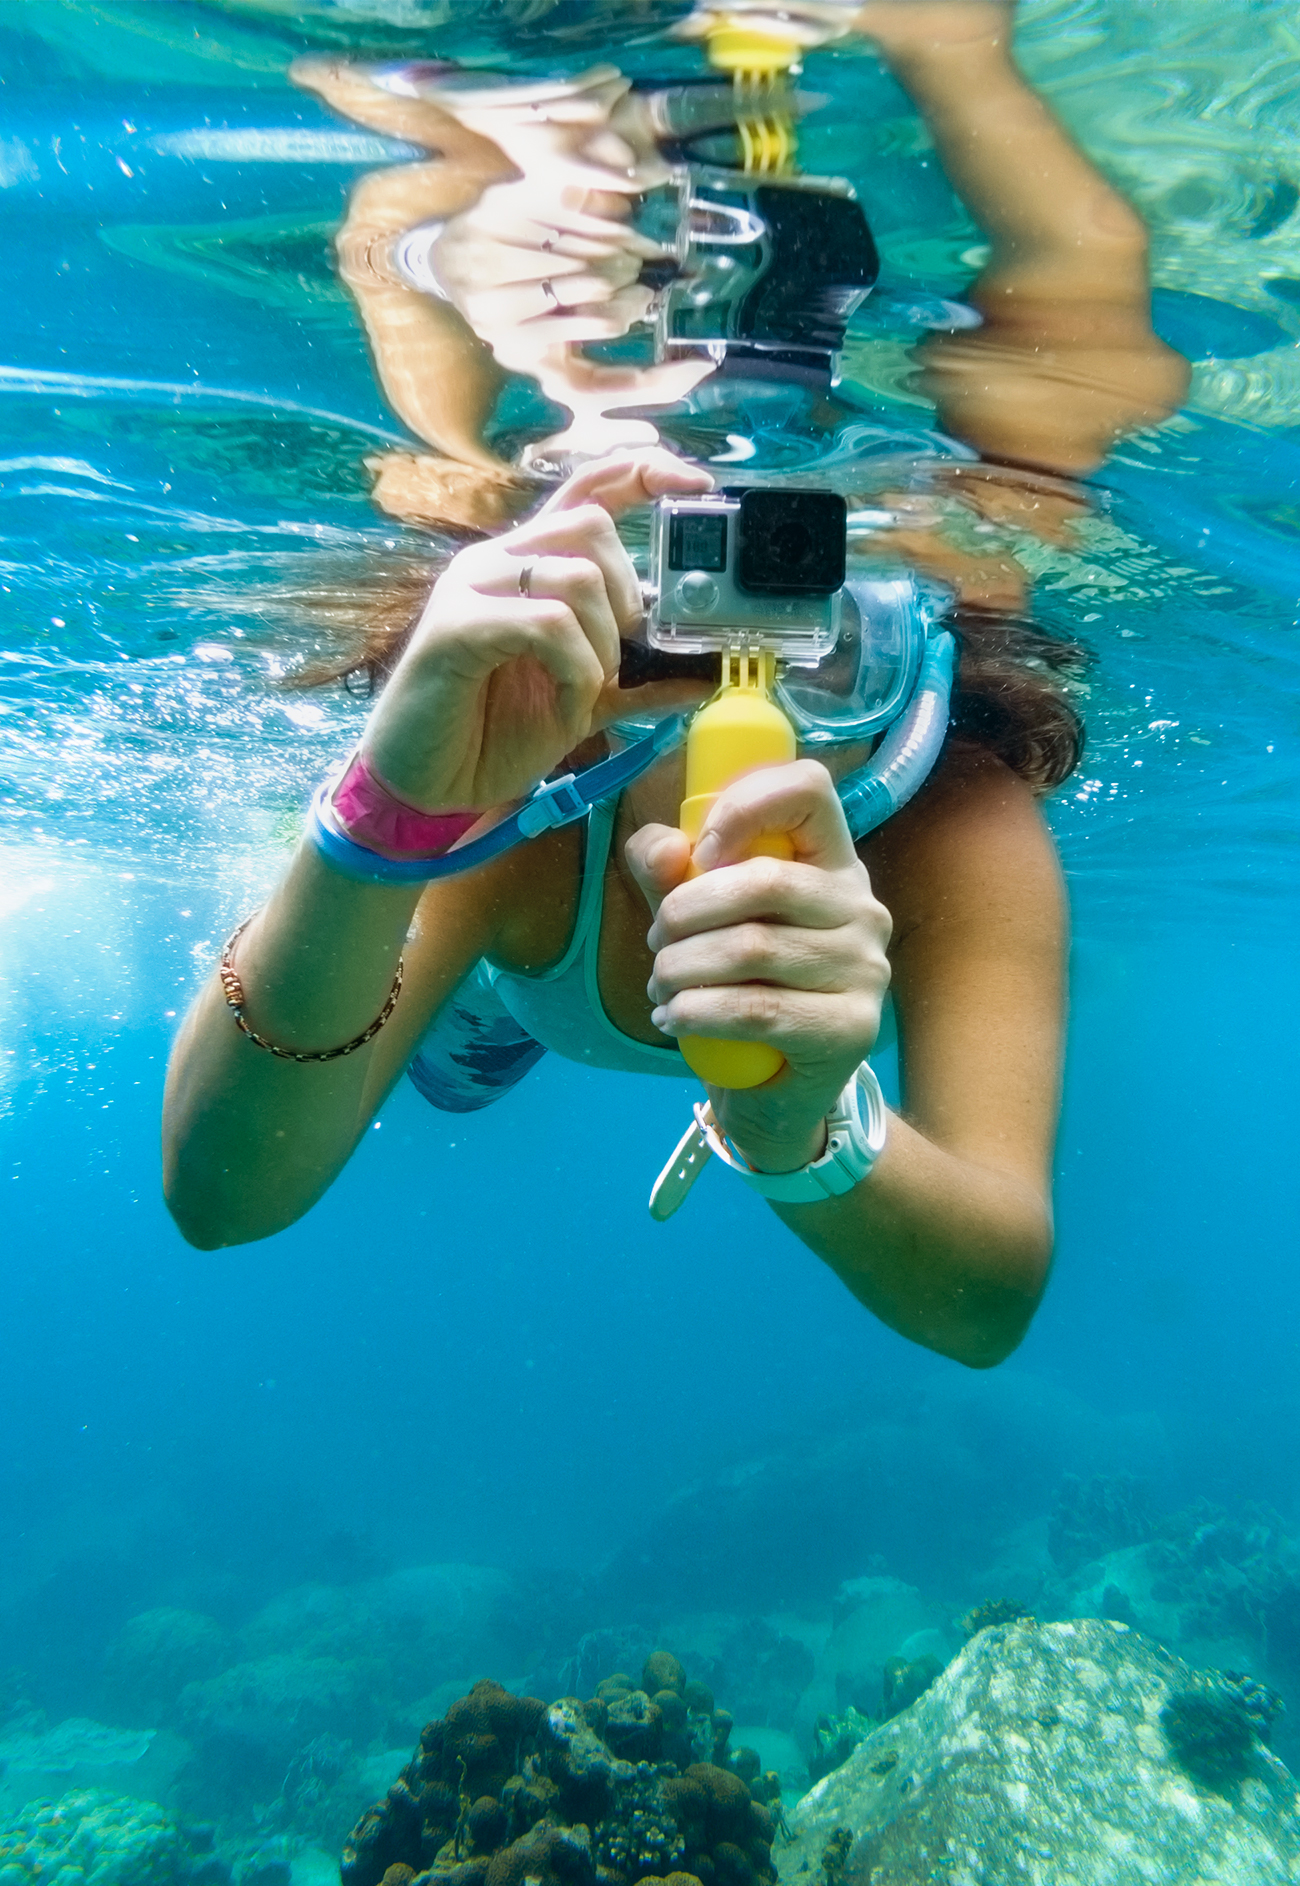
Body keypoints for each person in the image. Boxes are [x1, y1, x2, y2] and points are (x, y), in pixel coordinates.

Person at [162, 2, 1187, 1372]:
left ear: (928, 637)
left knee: (457, 210)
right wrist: (383, 822)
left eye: (818, 615)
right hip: (484, 987)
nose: (730, 671)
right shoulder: (512, 766)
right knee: (450, 1053)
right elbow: (222, 1203)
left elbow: (986, 1300)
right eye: (671, 597)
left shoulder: (954, 818)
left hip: (566, 963)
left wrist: (801, 1135)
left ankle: (496, 84)